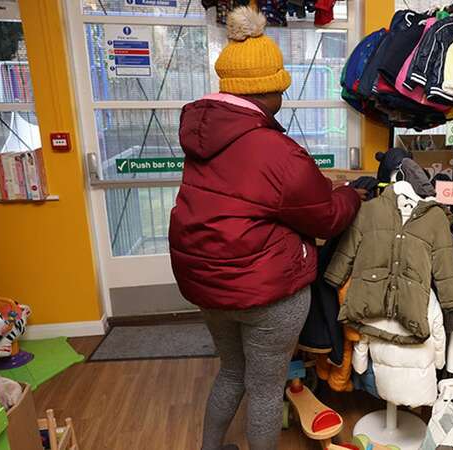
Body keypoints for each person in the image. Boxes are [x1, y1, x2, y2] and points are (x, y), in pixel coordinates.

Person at [168, 6, 362, 450]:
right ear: (266, 91)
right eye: (280, 89)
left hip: (208, 285)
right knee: (264, 388)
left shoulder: (202, 136)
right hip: (265, 291)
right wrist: (352, 195)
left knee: (232, 371)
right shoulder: (275, 150)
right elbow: (326, 217)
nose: (283, 98)